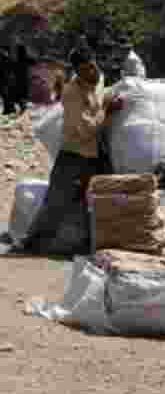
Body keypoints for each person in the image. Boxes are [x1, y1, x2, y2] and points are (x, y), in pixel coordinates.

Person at [21, 48, 123, 255]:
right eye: (86, 70)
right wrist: (107, 111)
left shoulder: (97, 82)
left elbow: (100, 102)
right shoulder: (71, 93)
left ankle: (93, 245)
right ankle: (31, 245)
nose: (92, 72)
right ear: (77, 72)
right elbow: (86, 130)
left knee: (101, 200)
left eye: (93, 66)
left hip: (94, 155)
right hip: (73, 155)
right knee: (55, 204)